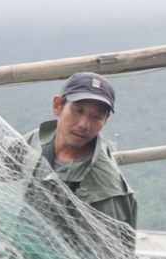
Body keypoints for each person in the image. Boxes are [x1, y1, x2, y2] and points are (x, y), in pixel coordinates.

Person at [25, 71, 137, 229]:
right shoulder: (37, 140)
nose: (84, 124)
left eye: (96, 117)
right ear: (58, 106)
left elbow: (106, 252)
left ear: (105, 120)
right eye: (78, 111)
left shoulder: (105, 189)